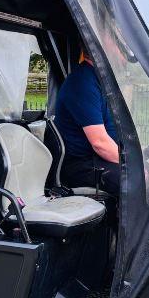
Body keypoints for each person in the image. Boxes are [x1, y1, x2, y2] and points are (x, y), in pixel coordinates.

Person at [54, 50, 120, 195]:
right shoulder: (82, 82)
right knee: (135, 181)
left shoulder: (102, 81)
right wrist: (133, 166)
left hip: (99, 160)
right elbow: (100, 143)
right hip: (82, 165)